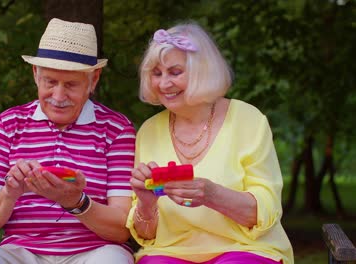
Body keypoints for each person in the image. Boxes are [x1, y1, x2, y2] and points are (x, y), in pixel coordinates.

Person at [0, 18, 136, 264]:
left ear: (93, 80)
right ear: (35, 74)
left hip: (93, 253)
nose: (58, 96)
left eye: (71, 84)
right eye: (50, 82)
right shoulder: (9, 123)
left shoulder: (117, 129)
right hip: (22, 253)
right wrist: (11, 192)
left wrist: (75, 202)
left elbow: (122, 229)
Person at [126, 21, 294, 264]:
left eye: (175, 72)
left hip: (245, 250)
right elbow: (145, 236)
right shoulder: (149, 131)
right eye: (156, 73)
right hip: (170, 253)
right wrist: (146, 203)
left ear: (202, 71)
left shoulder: (248, 119)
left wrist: (212, 194)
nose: (163, 84)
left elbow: (266, 212)